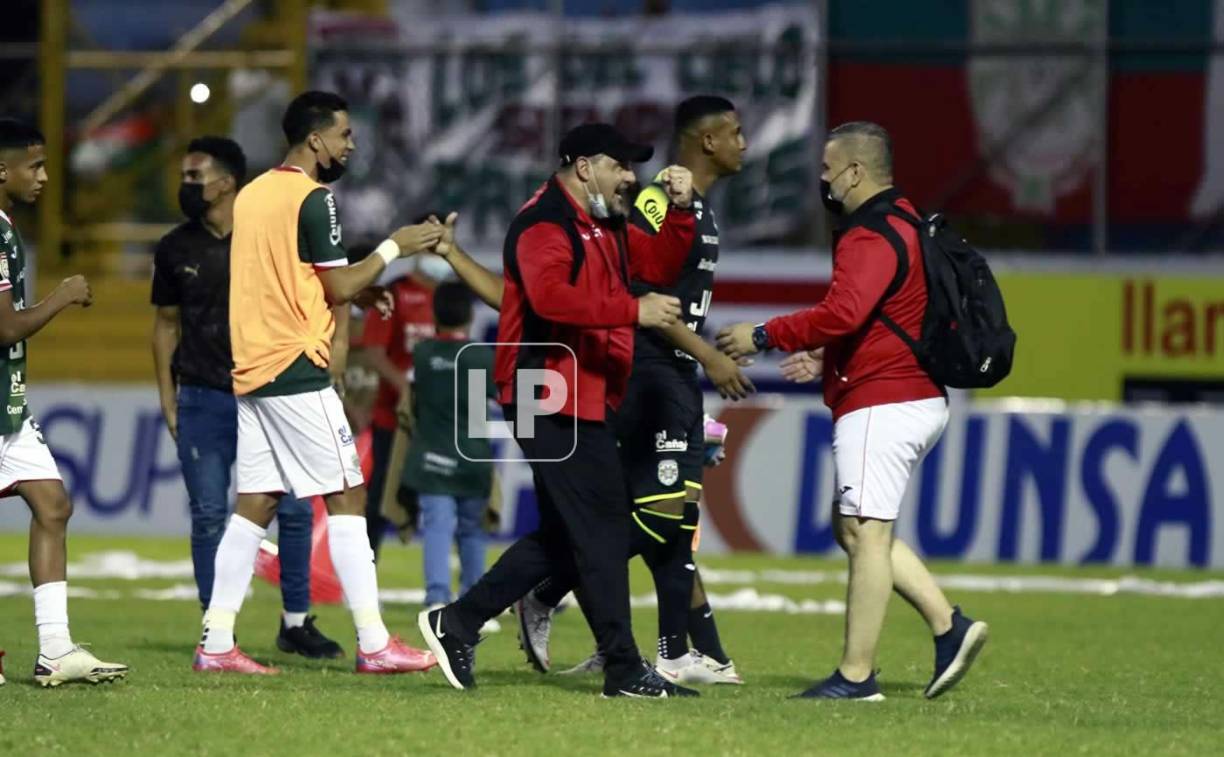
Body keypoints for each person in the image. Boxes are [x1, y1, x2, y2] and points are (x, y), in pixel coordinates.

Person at [417, 123, 702, 698]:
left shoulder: (602, 223)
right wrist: (631, 311)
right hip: (542, 388)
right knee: (601, 526)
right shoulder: (543, 224)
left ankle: (459, 622)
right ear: (584, 167)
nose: (631, 177)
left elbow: (657, 266)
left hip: (579, 391)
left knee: (574, 531)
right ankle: (622, 666)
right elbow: (550, 298)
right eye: (620, 165)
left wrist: (681, 213)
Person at [716, 121, 989, 701]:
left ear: (855, 172)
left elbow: (842, 311)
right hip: (910, 393)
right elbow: (880, 316)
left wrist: (764, 334)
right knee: (855, 527)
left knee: (866, 532)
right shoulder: (907, 220)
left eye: (826, 169)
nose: (822, 180)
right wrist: (827, 356)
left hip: (883, 401)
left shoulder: (868, 233)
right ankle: (949, 626)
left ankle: (856, 677)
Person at [192, 91, 439, 675]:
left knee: (255, 504)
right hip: (295, 365)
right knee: (349, 493)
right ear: (315, 140)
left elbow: (287, 274)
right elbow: (337, 288)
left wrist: (352, 284)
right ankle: (375, 643)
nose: (351, 144)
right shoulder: (314, 198)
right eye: (344, 134)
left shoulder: (252, 195)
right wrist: (393, 248)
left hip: (253, 364)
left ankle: (217, 642)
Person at [515, 96, 752, 686]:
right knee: (653, 515)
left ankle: (679, 651)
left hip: (672, 373)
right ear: (707, 141)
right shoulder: (648, 201)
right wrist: (707, 357)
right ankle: (547, 591)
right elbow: (638, 294)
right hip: (648, 370)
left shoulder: (691, 205)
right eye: (737, 133)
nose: (745, 143)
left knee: (672, 516)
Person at [152, 136, 342, 659]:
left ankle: (296, 621)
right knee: (210, 513)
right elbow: (164, 327)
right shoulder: (174, 248)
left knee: (298, 511)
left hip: (269, 388)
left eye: (195, 176)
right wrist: (168, 399)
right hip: (204, 395)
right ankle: (218, 631)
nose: (187, 186)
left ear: (226, 181)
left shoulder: (265, 235)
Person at [0, 118, 127, 686]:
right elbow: (3, 328)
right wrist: (62, 296)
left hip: (9, 406)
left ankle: (54, 649)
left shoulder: (6, 229)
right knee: (52, 506)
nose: (46, 177)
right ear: (2, 170)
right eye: (35, 165)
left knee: (52, 505)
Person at [398, 281, 494, 613]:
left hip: (433, 460)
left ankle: (437, 598)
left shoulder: (423, 354)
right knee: (472, 532)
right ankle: (474, 603)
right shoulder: (483, 356)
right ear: (470, 315)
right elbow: (503, 402)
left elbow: (410, 402)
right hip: (473, 459)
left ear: (435, 314)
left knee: (438, 527)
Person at [356, 227, 452, 557]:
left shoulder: (451, 297)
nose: (438, 258)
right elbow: (373, 352)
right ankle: (365, 567)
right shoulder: (394, 294)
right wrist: (407, 388)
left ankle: (452, 583)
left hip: (440, 417)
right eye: (431, 249)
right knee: (383, 492)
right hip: (394, 415)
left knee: (443, 495)